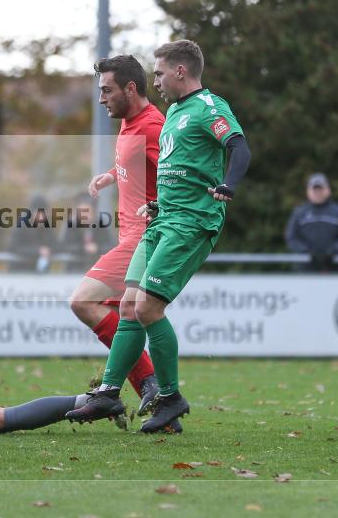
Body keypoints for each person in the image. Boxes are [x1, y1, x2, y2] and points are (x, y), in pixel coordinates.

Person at [67, 39, 251, 433]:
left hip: (188, 223)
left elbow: (238, 145)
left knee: (140, 308)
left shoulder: (202, 109)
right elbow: (169, 170)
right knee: (132, 306)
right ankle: (111, 390)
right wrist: (155, 201)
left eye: (161, 72)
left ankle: (165, 393)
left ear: (180, 71)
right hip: (161, 220)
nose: (157, 80)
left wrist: (227, 186)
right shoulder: (173, 115)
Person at [67, 54, 171, 430]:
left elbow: (179, 174)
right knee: (126, 316)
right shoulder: (129, 124)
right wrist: (112, 175)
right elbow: (138, 162)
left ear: (131, 88)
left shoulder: (155, 126)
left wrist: (162, 207)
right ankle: (158, 400)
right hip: (129, 236)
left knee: (83, 300)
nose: (101, 99)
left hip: (143, 238)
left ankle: (144, 384)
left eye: (106, 90)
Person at [284, 173, 338, 271]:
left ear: (328, 190)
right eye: (314, 189)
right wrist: (307, 251)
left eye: (320, 189)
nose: (317, 192)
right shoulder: (299, 212)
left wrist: (334, 250)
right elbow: (291, 237)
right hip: (305, 268)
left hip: (334, 268)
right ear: (308, 191)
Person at [59, 192, 114, 272]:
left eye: (87, 212)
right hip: (73, 269)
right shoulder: (70, 226)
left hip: (98, 269)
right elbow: (62, 246)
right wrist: (83, 248)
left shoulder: (101, 225)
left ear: (93, 212)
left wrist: (97, 248)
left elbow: (112, 245)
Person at [8, 196, 58, 272]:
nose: (41, 216)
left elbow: (57, 245)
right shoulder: (21, 226)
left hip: (41, 275)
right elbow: (13, 247)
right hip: (19, 273)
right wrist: (38, 251)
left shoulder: (47, 228)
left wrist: (49, 251)